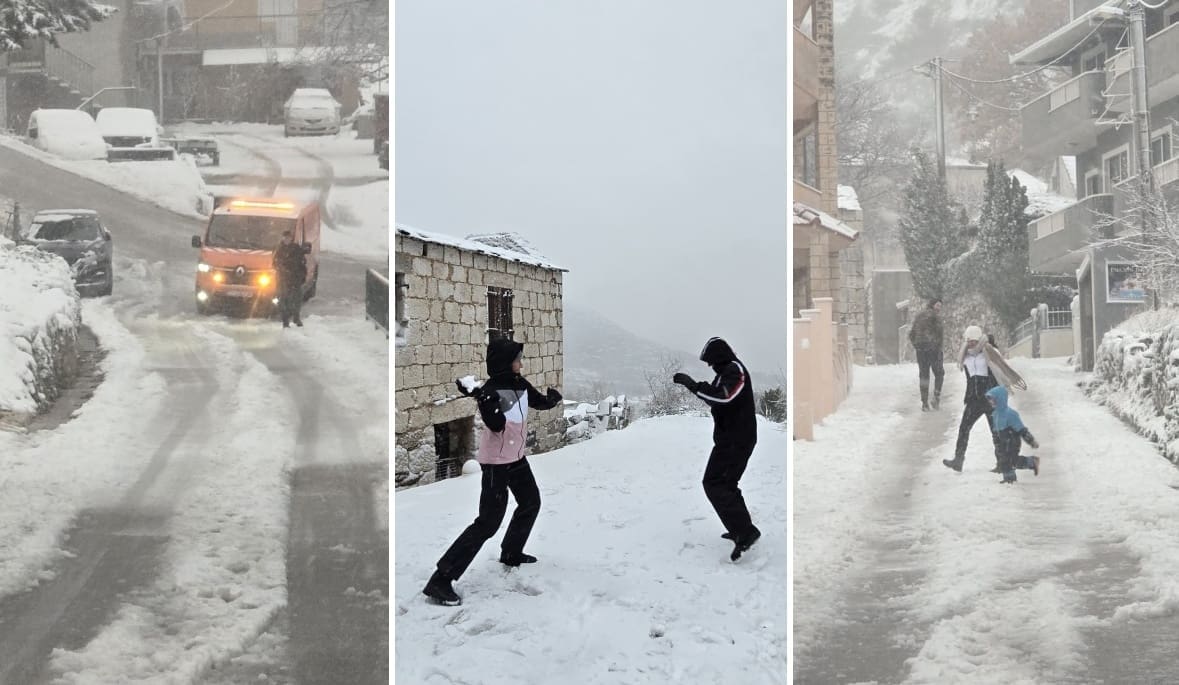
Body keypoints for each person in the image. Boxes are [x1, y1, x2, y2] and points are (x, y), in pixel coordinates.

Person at [422, 338, 563, 606]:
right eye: (517, 359)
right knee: (488, 522)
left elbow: (538, 401)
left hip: (516, 458)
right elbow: (497, 425)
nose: (521, 363)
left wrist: (551, 401)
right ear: (505, 362)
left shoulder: (519, 383)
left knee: (531, 502)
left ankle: (511, 552)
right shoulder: (492, 390)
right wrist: (484, 399)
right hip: (496, 464)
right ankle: (440, 580)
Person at [673, 337, 761, 562]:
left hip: (737, 439)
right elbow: (717, 397)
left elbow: (724, 397)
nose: (710, 366)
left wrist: (694, 385)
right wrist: (697, 387)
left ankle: (745, 532)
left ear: (719, 358)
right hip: (729, 439)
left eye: (711, 362)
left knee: (715, 483)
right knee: (724, 484)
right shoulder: (726, 371)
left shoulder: (735, 370)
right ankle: (741, 528)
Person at [942, 325, 1002, 473]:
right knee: (964, 428)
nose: (971, 344)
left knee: (996, 431)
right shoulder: (965, 355)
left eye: (974, 341)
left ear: (980, 340)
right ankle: (958, 460)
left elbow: (1002, 368)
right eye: (968, 341)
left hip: (990, 397)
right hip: (973, 398)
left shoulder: (990, 352)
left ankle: (1002, 463)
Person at [986, 386, 1041, 484]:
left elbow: (1021, 429)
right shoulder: (995, 415)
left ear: (1000, 399)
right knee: (1006, 460)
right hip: (1003, 441)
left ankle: (1012, 478)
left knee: (1010, 460)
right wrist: (996, 443)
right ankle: (1027, 465)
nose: (991, 402)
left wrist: (1031, 441)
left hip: (1012, 441)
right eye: (990, 400)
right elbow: (995, 431)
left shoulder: (1011, 414)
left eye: (993, 400)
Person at [908, 298, 945, 411]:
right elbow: (939, 333)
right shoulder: (935, 317)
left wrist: (917, 346)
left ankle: (924, 403)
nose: (939, 308)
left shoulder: (919, 316)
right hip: (933, 349)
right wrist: (937, 347)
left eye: (940, 306)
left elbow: (911, 333)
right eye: (938, 305)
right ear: (933, 305)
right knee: (939, 373)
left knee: (924, 376)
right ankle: (936, 397)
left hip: (921, 350)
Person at [273, 230, 306, 328]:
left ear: (291, 238)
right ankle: (285, 321)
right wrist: (283, 270)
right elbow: (275, 263)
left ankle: (296, 318)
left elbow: (302, 263)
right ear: (283, 238)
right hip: (283, 279)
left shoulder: (296, 248)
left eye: (289, 237)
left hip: (295, 279)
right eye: (285, 237)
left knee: (297, 299)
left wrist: (302, 275)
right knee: (284, 301)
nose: (287, 239)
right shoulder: (279, 249)